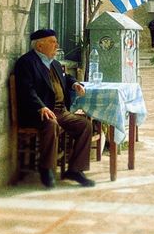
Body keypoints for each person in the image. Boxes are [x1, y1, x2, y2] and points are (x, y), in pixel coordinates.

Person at [14, 29, 95, 189]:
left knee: (85, 125)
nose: (56, 45)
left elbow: (65, 77)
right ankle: (46, 169)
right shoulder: (27, 63)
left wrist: (74, 84)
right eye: (52, 42)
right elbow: (26, 89)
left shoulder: (55, 63)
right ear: (39, 45)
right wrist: (41, 107)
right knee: (51, 125)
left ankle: (75, 170)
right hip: (38, 112)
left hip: (60, 111)